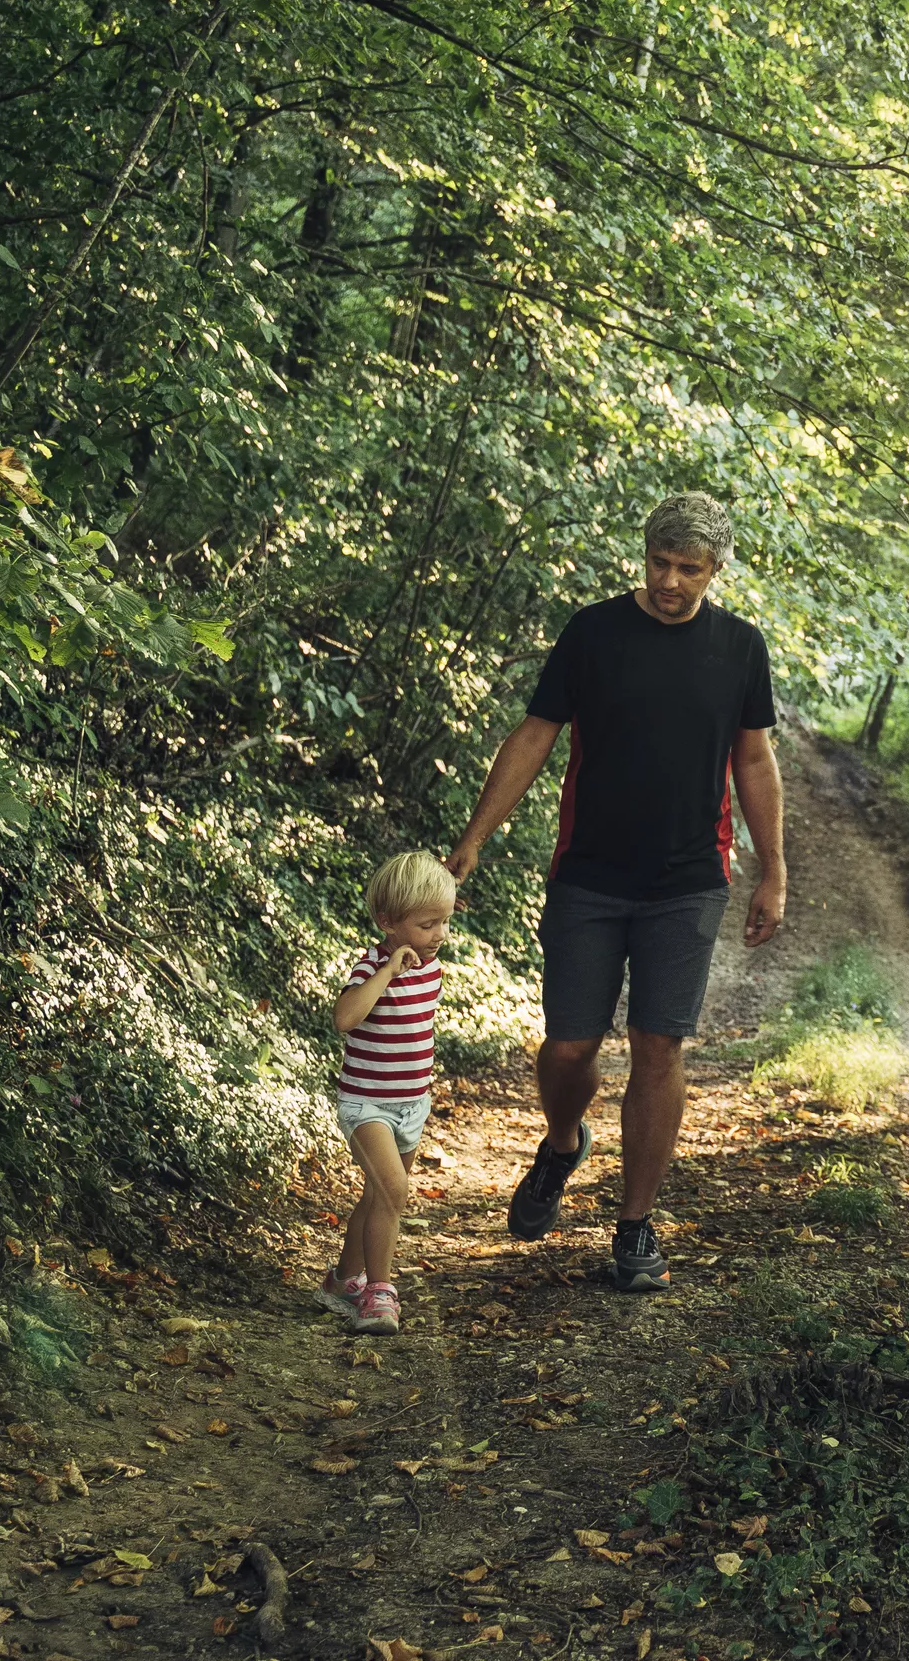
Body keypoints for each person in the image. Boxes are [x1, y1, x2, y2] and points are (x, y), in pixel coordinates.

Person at [445, 492, 787, 1293]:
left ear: (716, 570)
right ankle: (563, 1142)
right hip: (589, 874)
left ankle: (634, 1223)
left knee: (658, 1047)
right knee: (568, 1047)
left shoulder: (739, 647)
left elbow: (755, 763)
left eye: (689, 569)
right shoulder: (592, 632)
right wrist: (470, 843)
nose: (670, 581)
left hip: (687, 881)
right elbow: (534, 735)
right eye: (659, 564)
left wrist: (774, 870)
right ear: (645, 558)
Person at [319, 851, 457, 1336]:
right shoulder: (373, 965)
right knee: (394, 1192)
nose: (439, 934)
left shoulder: (433, 970)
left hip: (411, 1106)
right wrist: (387, 973)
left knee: (377, 1197)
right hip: (366, 1105)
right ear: (388, 923)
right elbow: (344, 1018)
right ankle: (378, 1291)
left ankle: (339, 1282)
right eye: (426, 924)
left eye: (444, 922)